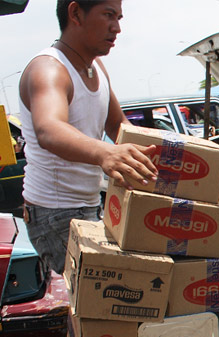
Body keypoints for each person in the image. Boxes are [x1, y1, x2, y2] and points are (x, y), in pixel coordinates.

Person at [19, 0, 157, 274]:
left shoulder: (97, 68)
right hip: (54, 214)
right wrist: (105, 153)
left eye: (118, 17)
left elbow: (119, 127)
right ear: (75, 13)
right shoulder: (49, 69)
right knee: (99, 300)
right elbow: (49, 129)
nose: (116, 28)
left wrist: (181, 152)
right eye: (108, 15)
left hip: (91, 205)